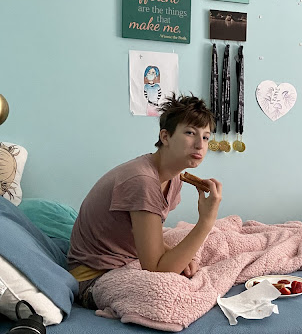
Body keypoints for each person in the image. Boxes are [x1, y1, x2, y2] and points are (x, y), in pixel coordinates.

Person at [68, 94, 222, 309]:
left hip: (127, 256)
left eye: (205, 137)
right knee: (165, 294)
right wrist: (206, 221)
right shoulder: (143, 180)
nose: (200, 145)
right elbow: (156, 269)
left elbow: (146, 237)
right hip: (93, 276)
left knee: (216, 241)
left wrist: (178, 255)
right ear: (165, 137)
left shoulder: (174, 178)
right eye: (190, 133)